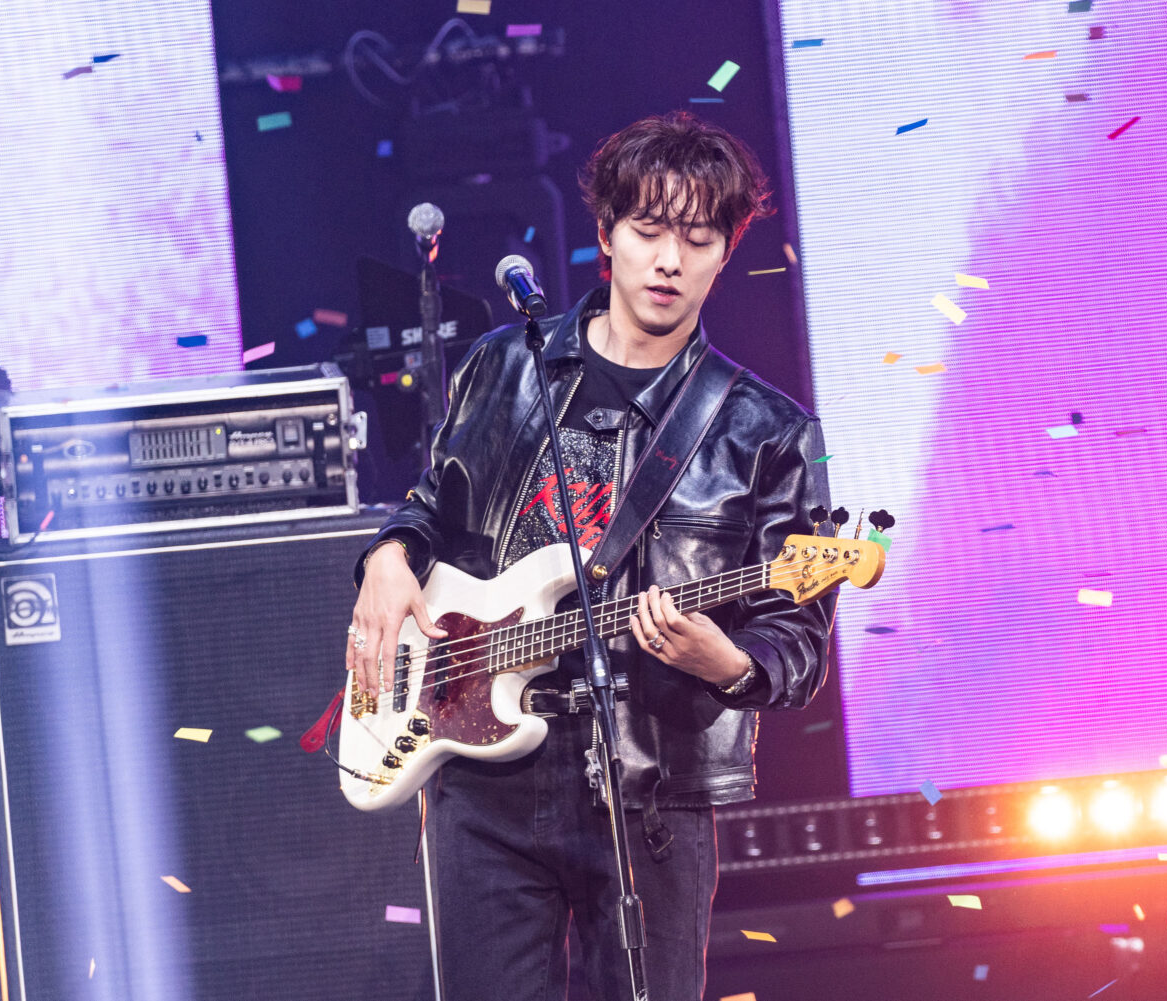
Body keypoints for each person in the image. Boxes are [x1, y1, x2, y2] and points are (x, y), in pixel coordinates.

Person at [345, 111, 834, 1001]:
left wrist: (729, 662)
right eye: (648, 230)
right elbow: (434, 504)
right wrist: (389, 553)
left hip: (650, 783)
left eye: (698, 239)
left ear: (726, 251)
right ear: (607, 233)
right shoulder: (503, 367)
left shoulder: (767, 432)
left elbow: (796, 638)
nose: (669, 260)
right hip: (481, 774)